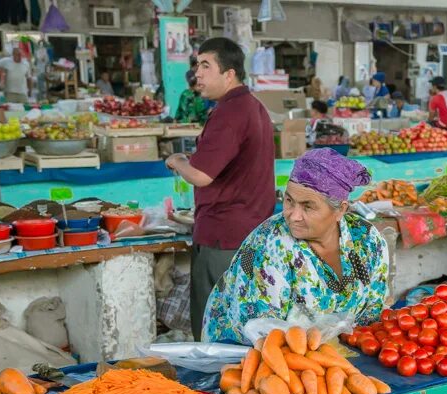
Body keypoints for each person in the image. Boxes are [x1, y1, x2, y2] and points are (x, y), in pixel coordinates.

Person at [201, 148, 389, 344]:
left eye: (308, 206)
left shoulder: (367, 240)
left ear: (340, 210)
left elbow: (372, 312)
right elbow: (262, 332)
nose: (293, 215)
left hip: (331, 355)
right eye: (289, 201)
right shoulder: (269, 244)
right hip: (247, 354)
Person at [164, 37, 275, 340]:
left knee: (214, 329)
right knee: (242, 325)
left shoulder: (230, 112)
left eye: (205, 65)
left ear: (229, 74)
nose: (197, 73)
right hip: (249, 234)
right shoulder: (253, 107)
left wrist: (177, 160)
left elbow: (200, 174)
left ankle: (212, 387)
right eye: (196, 65)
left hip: (223, 239)